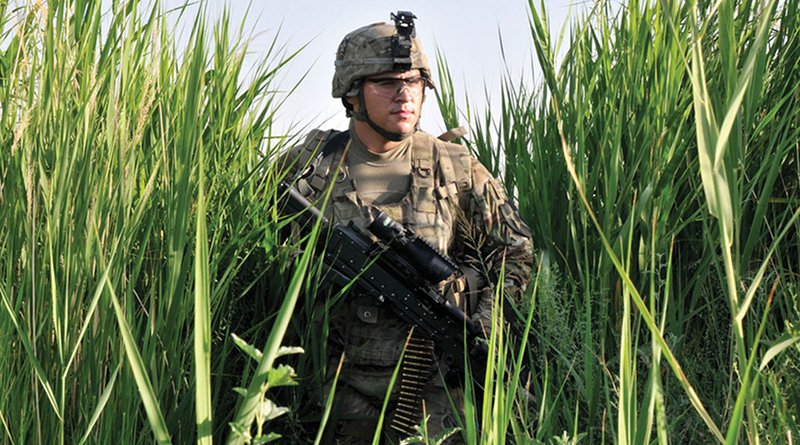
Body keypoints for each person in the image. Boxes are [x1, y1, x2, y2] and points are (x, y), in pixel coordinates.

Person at [282, 11, 534, 444]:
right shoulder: (308, 167)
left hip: (434, 388)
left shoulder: (455, 168)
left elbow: (516, 253)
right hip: (332, 392)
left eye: (414, 82)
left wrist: (487, 321)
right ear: (352, 94)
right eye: (386, 83)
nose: (405, 95)